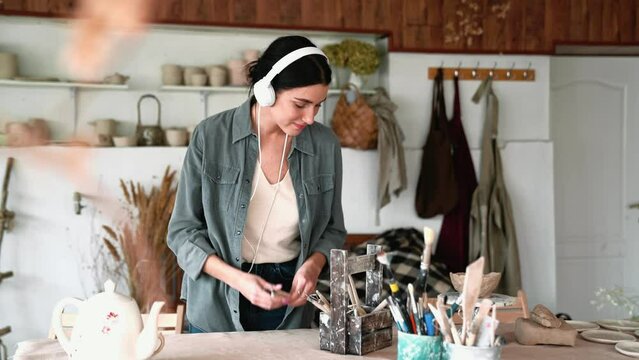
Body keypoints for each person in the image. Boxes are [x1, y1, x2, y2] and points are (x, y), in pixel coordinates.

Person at [167, 35, 346, 333]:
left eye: (318, 105)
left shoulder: (325, 145)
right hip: (218, 300)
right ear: (266, 91)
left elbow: (334, 229)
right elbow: (182, 232)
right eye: (301, 104)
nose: (311, 118)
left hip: (291, 306)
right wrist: (238, 280)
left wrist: (314, 264)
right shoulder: (211, 137)